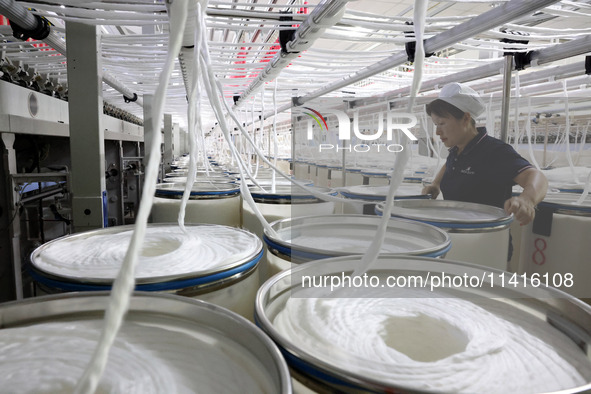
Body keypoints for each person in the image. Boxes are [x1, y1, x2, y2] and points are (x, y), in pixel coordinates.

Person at [421, 82, 548, 227]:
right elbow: (449, 164)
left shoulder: (494, 151)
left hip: (487, 239)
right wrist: (435, 184)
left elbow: (536, 175)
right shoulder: (457, 150)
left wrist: (527, 200)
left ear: (466, 119)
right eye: (436, 125)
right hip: (457, 233)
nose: (437, 132)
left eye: (442, 123)